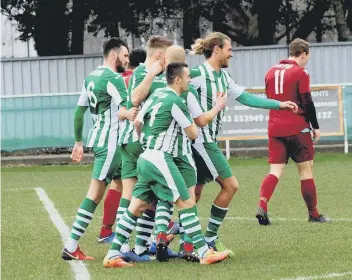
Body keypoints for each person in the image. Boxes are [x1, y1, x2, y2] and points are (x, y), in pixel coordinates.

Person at [103, 62, 230, 268]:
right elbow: (194, 133)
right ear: (178, 79)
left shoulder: (156, 95)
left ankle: (113, 254)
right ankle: (204, 252)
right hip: (161, 158)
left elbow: (137, 122)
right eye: (188, 76)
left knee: (136, 207)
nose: (190, 80)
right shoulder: (176, 101)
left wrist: (147, 141)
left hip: (145, 157)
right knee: (186, 202)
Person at [190, 32, 298, 256]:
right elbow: (176, 93)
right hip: (201, 142)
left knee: (193, 195)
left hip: (204, 143)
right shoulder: (197, 75)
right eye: (229, 49)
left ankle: (170, 239)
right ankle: (208, 238)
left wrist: (280, 105)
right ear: (217, 49)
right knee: (230, 185)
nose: (232, 53)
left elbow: (248, 98)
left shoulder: (224, 78)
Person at [61, 37, 130, 260]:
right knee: (95, 194)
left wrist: (78, 142)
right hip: (111, 144)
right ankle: (72, 246)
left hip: (101, 141)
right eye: (125, 56)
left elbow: (78, 112)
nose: (127, 61)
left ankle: (123, 246)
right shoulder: (114, 78)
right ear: (114, 55)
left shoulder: (91, 77)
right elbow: (128, 109)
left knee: (125, 186)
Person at [256, 38, 331, 225]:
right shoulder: (301, 72)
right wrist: (316, 125)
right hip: (297, 127)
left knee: (275, 171)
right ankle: (313, 214)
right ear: (303, 53)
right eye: (307, 57)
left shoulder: (270, 72)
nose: (307, 60)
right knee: (306, 170)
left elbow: (270, 99)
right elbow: (307, 101)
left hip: (275, 127)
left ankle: (262, 205)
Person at [115, 35, 173, 261]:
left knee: (138, 196)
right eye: (167, 55)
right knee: (149, 195)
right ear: (160, 55)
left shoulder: (161, 74)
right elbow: (134, 100)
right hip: (138, 141)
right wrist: (152, 74)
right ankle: (131, 246)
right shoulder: (143, 72)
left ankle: (134, 248)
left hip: (132, 140)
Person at [98, 47, 146, 243]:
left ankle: (108, 231)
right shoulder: (140, 80)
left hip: (117, 138)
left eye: (127, 57)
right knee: (146, 184)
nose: (124, 59)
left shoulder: (120, 78)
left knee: (119, 185)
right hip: (134, 137)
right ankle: (154, 232)